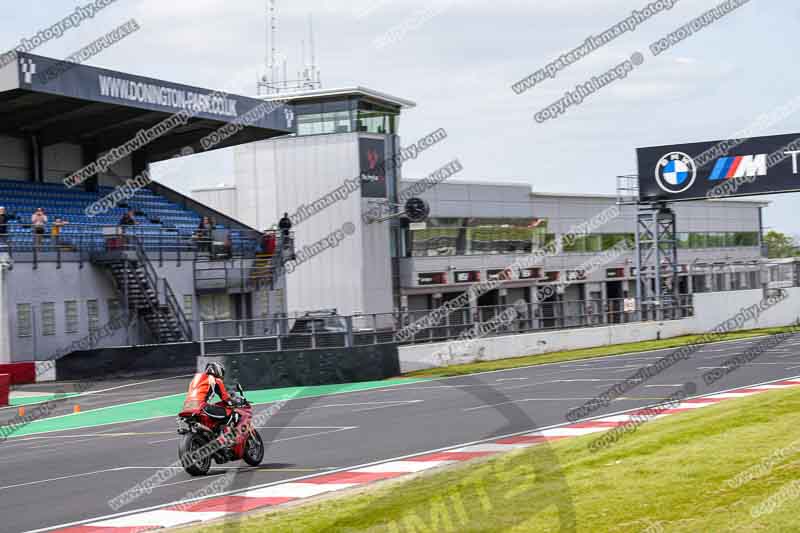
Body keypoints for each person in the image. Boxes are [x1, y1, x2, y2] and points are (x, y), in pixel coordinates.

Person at [182, 362, 233, 431]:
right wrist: (233, 402)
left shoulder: (195, 379)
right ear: (218, 371)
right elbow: (226, 399)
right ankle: (224, 437)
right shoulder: (216, 380)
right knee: (229, 413)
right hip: (200, 406)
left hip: (186, 407)